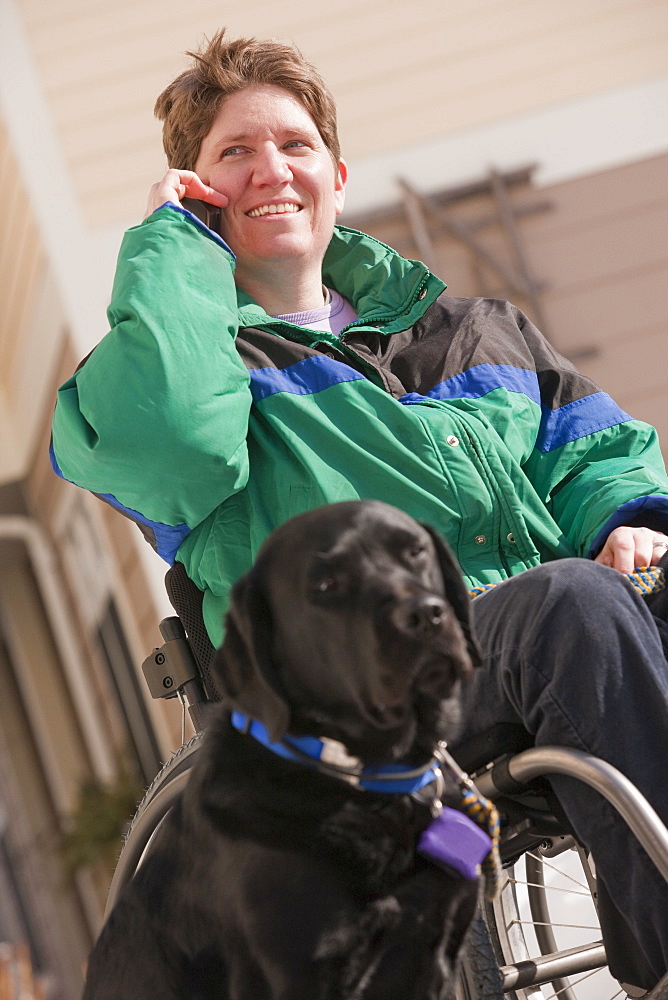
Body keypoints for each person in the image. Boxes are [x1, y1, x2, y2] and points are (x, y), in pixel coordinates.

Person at [50, 29, 668, 989]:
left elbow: (596, 452)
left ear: (336, 173)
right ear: (195, 191)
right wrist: (175, 247)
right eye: (233, 155)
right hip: (357, 712)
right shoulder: (193, 376)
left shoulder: (474, 331)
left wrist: (628, 518)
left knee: (593, 596)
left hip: (562, 657)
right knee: (574, 605)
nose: (272, 171)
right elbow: (171, 437)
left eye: (294, 146)